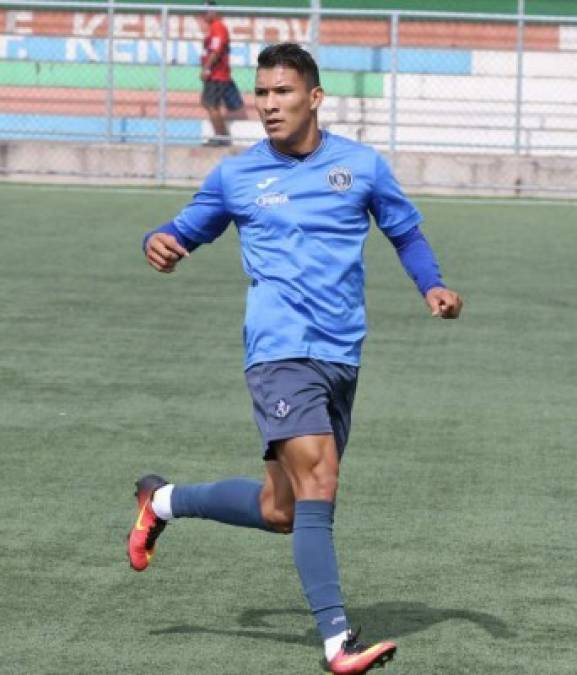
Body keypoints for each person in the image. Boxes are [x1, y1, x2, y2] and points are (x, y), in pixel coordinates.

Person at [128, 42, 463, 674]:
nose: (268, 105)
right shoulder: (236, 175)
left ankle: (163, 500)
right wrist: (160, 242)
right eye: (261, 93)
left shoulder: (360, 165)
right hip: (278, 350)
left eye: (282, 92)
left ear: (314, 97)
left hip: (341, 353)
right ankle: (338, 641)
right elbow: (182, 227)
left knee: (281, 509)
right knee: (321, 481)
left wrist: (432, 285)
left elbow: (405, 231)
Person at [200, 0, 244, 146]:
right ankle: (222, 135)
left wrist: (206, 68)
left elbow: (216, 50)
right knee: (208, 104)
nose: (203, 15)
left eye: (205, 11)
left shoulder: (218, 27)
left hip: (217, 75)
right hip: (215, 74)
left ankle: (222, 136)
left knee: (212, 105)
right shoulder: (214, 28)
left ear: (213, 12)